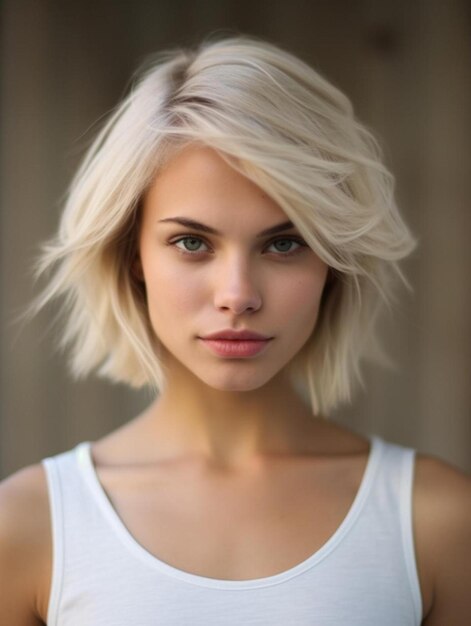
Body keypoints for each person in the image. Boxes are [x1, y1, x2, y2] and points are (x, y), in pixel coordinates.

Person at [0, 34, 469, 626]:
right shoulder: (28, 524)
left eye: (284, 242)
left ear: (332, 262)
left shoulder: (436, 521)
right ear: (133, 257)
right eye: (192, 242)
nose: (238, 295)